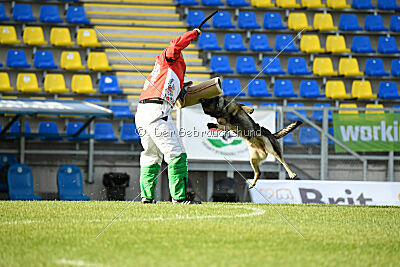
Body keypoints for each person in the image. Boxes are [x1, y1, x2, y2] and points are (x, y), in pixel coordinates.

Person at [135, 29, 201, 204]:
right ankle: (179, 198)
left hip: (142, 112)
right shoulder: (167, 58)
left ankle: (146, 197)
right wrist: (194, 33)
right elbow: (175, 45)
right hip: (158, 111)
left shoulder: (159, 74)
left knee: (150, 155)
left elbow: (173, 92)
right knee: (177, 154)